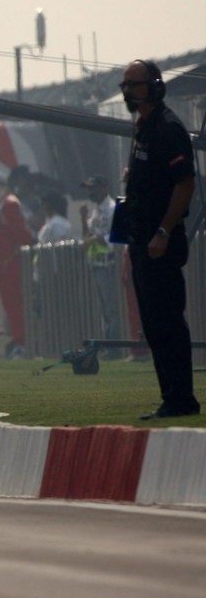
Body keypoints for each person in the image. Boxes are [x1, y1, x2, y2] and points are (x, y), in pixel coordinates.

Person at [118, 59, 199, 419]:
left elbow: (185, 183)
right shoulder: (144, 128)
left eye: (135, 84)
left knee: (167, 320)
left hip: (160, 241)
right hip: (140, 240)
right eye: (126, 84)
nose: (129, 91)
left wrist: (163, 232)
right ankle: (170, 396)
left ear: (154, 85)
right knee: (152, 322)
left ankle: (182, 399)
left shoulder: (168, 128)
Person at [0, 171, 34, 359]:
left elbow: (21, 235)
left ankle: (21, 344)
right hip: (3, 265)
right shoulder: (1, 207)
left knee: (15, 306)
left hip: (11, 265)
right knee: (10, 307)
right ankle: (17, 341)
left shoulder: (10, 206)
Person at [78, 176, 121, 349]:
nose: (90, 192)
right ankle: (108, 345)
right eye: (88, 189)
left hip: (109, 264)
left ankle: (113, 347)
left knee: (112, 307)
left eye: (93, 188)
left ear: (104, 188)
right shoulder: (96, 210)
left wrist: (96, 239)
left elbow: (114, 239)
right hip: (95, 264)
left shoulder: (112, 209)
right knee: (103, 309)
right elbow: (86, 235)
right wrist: (82, 218)